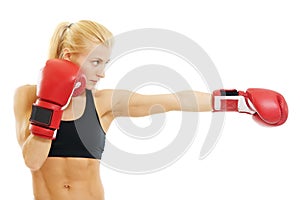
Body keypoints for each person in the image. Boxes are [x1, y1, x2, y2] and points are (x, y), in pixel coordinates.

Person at [13, 20, 288, 200]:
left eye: (106, 63)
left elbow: (174, 100)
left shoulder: (105, 102)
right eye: (96, 62)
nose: (103, 73)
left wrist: (239, 101)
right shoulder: (27, 95)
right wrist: (51, 102)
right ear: (67, 56)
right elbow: (33, 161)